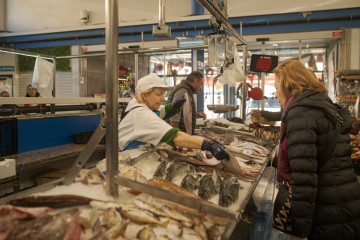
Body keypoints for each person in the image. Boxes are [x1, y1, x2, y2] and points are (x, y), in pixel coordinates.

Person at [272, 59, 360, 240]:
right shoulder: (321, 105)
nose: (275, 94)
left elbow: (304, 179)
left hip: (327, 214)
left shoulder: (301, 114)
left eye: (276, 87)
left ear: (290, 86)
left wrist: (299, 230)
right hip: (342, 203)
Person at [118, 73, 241, 172]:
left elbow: (162, 111)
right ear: (145, 95)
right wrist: (208, 145)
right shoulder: (141, 113)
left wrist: (175, 105)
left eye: (163, 94)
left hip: (138, 156)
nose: (163, 98)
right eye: (158, 94)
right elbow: (176, 137)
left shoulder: (139, 104)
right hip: (129, 163)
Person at [167, 71, 207, 135]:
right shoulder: (183, 91)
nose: (201, 88)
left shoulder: (186, 90)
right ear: (196, 81)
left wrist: (195, 114)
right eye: (201, 84)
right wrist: (175, 135)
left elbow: (182, 109)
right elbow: (174, 112)